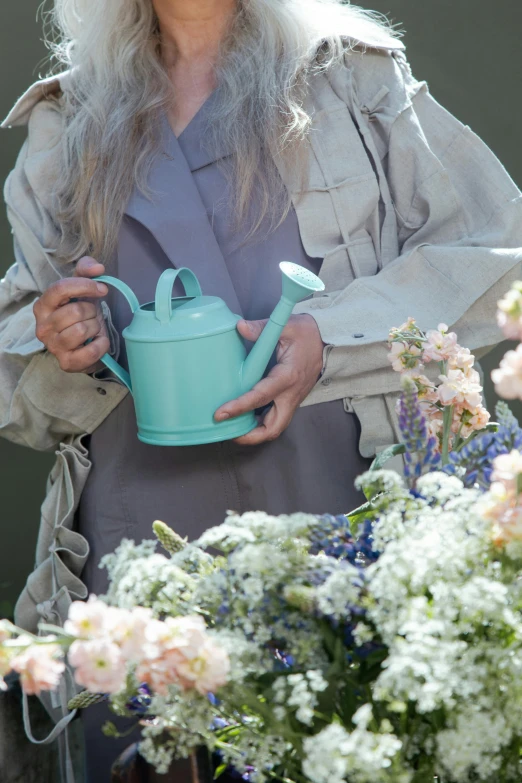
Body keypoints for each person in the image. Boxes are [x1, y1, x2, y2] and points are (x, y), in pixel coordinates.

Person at [1, 0, 521, 780]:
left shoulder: (354, 79)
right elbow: (22, 377)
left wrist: (331, 335)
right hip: (141, 553)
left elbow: (496, 251)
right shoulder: (66, 122)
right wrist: (58, 339)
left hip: (349, 518)